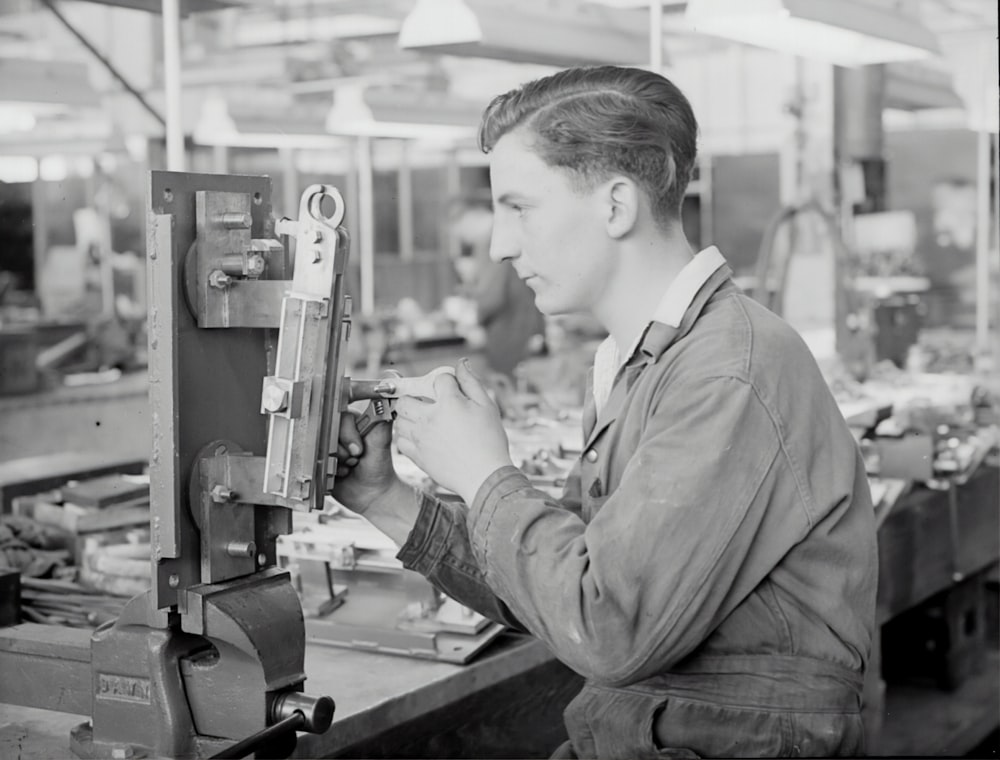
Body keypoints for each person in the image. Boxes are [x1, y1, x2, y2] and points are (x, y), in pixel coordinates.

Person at [333, 65, 877, 759]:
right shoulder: (640, 364)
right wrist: (387, 500)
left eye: (519, 207)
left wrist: (486, 474)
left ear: (615, 205)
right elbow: (557, 590)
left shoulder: (727, 371)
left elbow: (606, 625)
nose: (500, 245)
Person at [449, 192, 547, 380]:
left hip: (509, 335)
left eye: (459, 231)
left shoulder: (489, 240)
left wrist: (470, 319)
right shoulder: (508, 232)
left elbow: (492, 295)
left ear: (467, 217)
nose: (463, 238)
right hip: (524, 329)